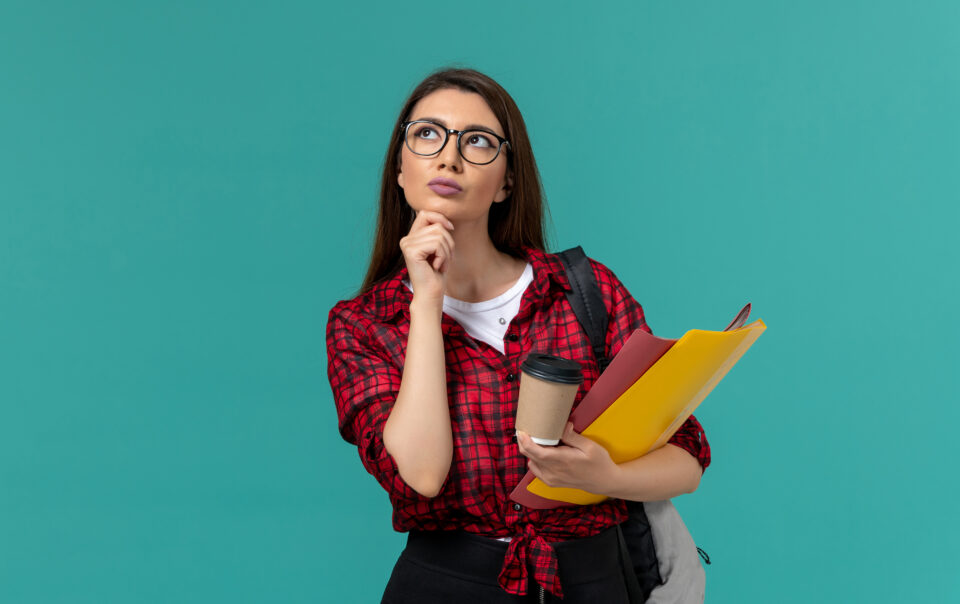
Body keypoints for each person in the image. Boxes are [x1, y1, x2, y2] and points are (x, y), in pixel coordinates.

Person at [326, 67, 711, 603]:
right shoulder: (364, 324)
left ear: (507, 180)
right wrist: (427, 300)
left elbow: (687, 459)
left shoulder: (584, 291)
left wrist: (605, 477)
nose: (449, 157)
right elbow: (422, 474)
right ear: (399, 166)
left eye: (478, 141)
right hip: (447, 587)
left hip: (594, 582)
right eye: (428, 134)